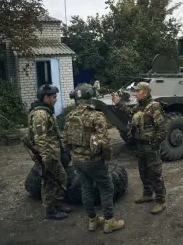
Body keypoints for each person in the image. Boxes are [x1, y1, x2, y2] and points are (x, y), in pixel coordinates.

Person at [63, 83, 124, 233]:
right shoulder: (96, 115)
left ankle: (92, 220)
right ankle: (109, 222)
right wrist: (107, 157)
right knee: (106, 188)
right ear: (90, 97)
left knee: (86, 188)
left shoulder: (70, 116)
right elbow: (105, 141)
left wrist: (73, 154)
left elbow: (65, 140)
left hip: (77, 160)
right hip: (94, 160)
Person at [111, 82, 167, 214]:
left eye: (138, 91)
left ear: (145, 92)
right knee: (143, 172)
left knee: (155, 174)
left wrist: (154, 145)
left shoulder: (154, 107)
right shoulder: (139, 106)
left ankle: (161, 200)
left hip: (150, 147)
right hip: (140, 145)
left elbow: (162, 130)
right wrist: (118, 103)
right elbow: (130, 113)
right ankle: (147, 194)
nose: (135, 94)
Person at [28, 84, 71, 220]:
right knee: (49, 182)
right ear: (46, 97)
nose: (56, 99)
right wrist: (45, 159)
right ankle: (50, 210)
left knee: (61, 178)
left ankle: (57, 203)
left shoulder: (46, 111)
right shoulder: (40, 114)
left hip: (53, 153)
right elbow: (40, 139)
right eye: (53, 97)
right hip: (48, 155)